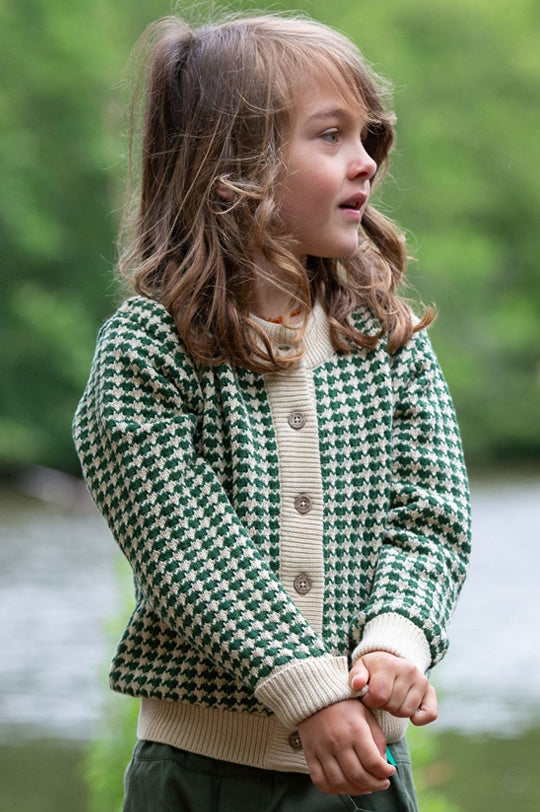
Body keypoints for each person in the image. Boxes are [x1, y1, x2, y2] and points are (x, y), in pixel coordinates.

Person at [73, 12, 471, 812]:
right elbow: (185, 547)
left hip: (365, 776)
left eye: (370, 138)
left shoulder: (384, 338)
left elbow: (432, 514)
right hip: (199, 778)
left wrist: (396, 639)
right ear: (232, 169)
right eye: (331, 136)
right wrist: (305, 689)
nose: (365, 163)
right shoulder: (148, 349)